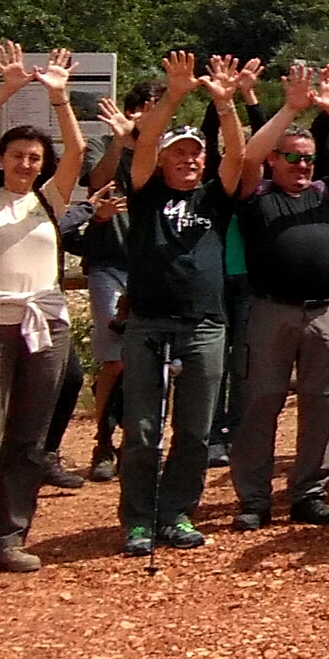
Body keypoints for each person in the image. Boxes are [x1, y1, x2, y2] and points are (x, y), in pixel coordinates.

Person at [0, 44, 84, 587]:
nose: (27, 164)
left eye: (35, 158)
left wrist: (60, 99)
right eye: (18, 155)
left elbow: (75, 148)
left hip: (45, 328)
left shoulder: (50, 199)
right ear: (1, 159)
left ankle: (9, 539)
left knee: (28, 438)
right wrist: (6, 91)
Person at [114, 52, 250, 557]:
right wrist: (173, 96)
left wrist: (225, 103)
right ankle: (138, 520)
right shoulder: (145, 191)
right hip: (148, 323)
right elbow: (145, 140)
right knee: (143, 431)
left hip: (205, 324)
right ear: (165, 159)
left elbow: (237, 156)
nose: (190, 159)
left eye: (196, 153)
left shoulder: (215, 196)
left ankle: (176, 514)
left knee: (194, 431)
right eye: (181, 153)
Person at [227, 62, 329, 532]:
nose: (302, 166)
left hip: (324, 312)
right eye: (291, 157)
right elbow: (246, 158)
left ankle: (308, 492)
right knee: (260, 403)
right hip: (269, 311)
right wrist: (289, 108)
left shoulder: (328, 193)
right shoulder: (255, 193)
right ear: (275, 160)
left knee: (323, 403)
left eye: (307, 158)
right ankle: (253, 498)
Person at [62, 80, 159, 484]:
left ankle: (141, 442)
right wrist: (122, 140)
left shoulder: (161, 150)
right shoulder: (105, 144)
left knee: (156, 361)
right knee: (115, 360)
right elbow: (95, 180)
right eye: (146, 110)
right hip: (110, 264)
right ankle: (103, 441)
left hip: (152, 267)